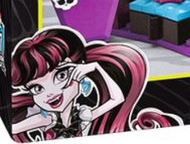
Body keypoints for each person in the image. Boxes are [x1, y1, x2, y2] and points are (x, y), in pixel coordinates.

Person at [12, 27, 181, 140]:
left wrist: (95, 68)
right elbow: (13, 128)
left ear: (78, 71)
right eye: (37, 88)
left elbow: (117, 99)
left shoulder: (84, 114)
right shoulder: (46, 118)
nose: (50, 92)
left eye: (61, 75)